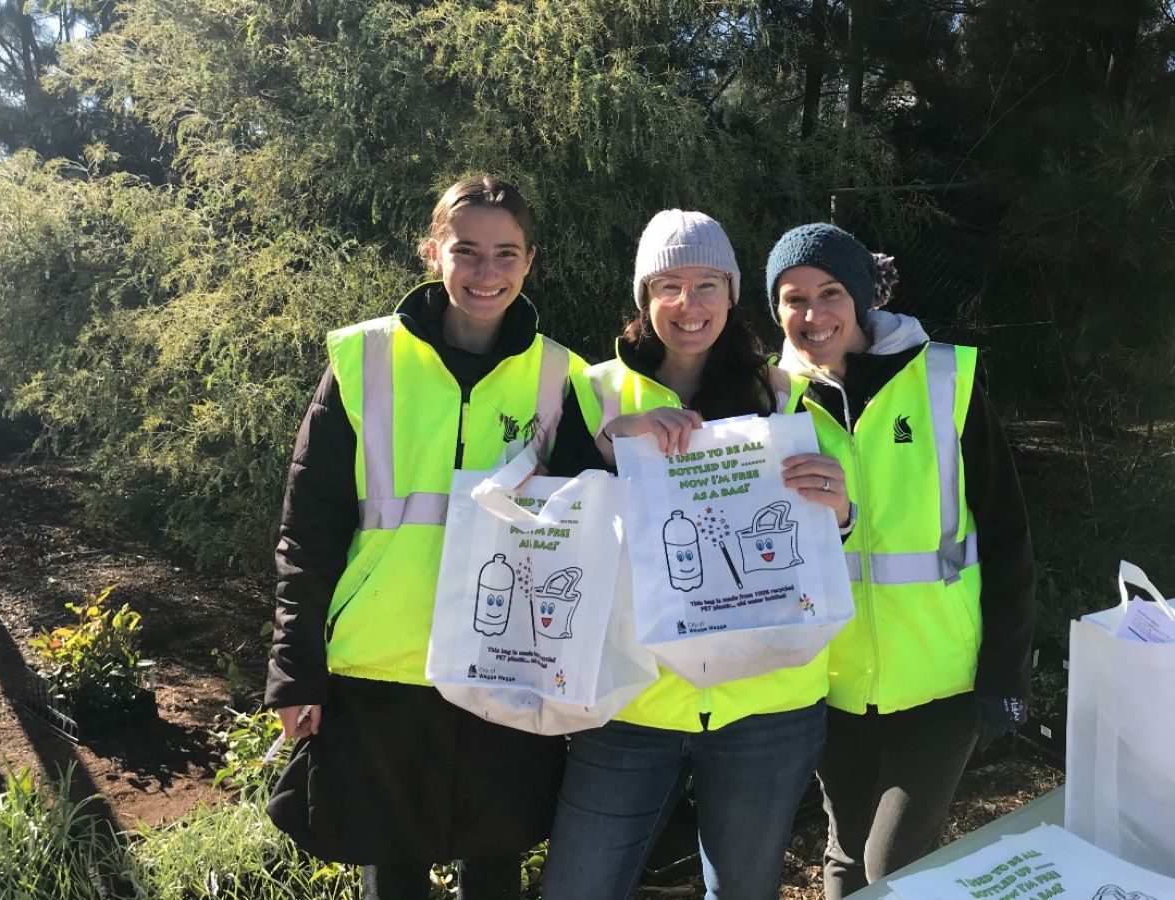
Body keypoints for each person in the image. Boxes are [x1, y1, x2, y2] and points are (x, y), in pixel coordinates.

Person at [263, 175, 586, 900]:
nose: (485, 272)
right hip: (382, 668)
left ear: (530, 261)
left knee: (497, 868)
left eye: (506, 254)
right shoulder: (365, 362)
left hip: (505, 667)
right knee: (394, 876)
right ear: (431, 252)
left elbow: (591, 527)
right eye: (466, 250)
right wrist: (296, 671)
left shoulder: (563, 378)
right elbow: (307, 531)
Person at [542, 210, 852, 900]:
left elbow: (823, 537)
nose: (690, 305)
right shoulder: (593, 394)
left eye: (708, 284)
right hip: (632, 700)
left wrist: (842, 511)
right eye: (669, 285)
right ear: (643, 298)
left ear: (733, 293)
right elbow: (548, 534)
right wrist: (604, 448)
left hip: (768, 700)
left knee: (742, 891)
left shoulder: (784, 392)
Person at [765, 223, 1036, 899]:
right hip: (831, 683)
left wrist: (1007, 668)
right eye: (793, 298)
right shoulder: (768, 399)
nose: (812, 314)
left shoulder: (946, 379)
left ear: (861, 298)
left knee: (895, 868)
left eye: (829, 293)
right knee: (845, 854)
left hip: (942, 680)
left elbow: (1006, 533)